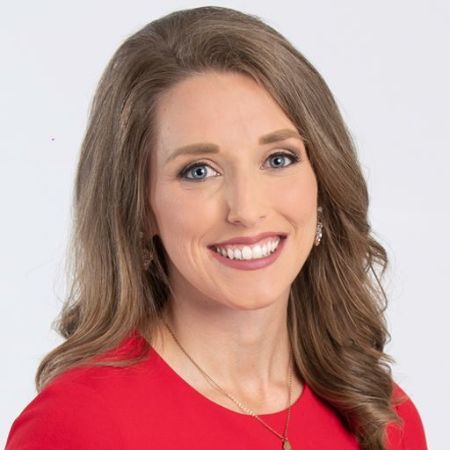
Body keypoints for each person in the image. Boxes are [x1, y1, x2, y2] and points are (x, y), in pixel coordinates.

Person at [6, 6, 427, 450]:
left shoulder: (382, 418)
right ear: (140, 208)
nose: (247, 209)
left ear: (322, 181)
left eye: (278, 159)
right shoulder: (82, 424)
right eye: (199, 171)